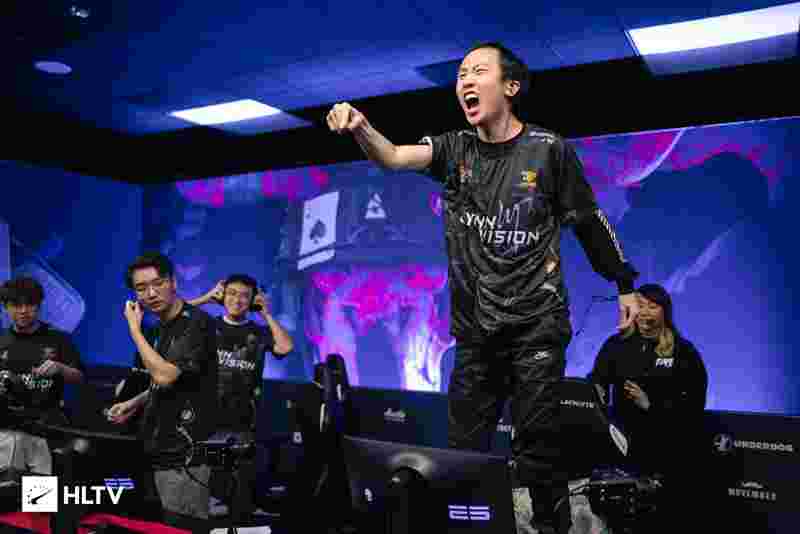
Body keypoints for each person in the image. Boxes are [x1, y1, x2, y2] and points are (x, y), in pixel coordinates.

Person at [326, 41, 639, 533]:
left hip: (537, 325)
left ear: (510, 87)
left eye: (478, 71)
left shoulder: (549, 149)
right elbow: (393, 157)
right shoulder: (454, 149)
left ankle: (550, 528)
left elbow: (587, 220)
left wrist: (622, 282)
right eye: (460, 75)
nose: (465, 82)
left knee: (537, 446)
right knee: (463, 450)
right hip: (475, 332)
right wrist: (361, 127)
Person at [107, 252, 217, 533]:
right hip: (159, 446)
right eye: (141, 288)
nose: (151, 293)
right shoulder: (162, 327)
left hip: (186, 455)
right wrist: (134, 402)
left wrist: (134, 330)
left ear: (173, 283)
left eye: (158, 283)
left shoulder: (196, 323)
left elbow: (165, 376)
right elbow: (173, 381)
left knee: (181, 528)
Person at [589, 283, 708, 532]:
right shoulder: (616, 345)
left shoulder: (684, 352)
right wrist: (597, 395)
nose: (644, 312)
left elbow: (694, 405)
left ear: (665, 311)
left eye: (652, 307)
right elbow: (596, 381)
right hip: (621, 452)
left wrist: (651, 405)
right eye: (640, 306)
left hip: (667, 455)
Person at [188, 274, 293, 521]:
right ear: (223, 296)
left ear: (253, 301)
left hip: (244, 414)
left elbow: (285, 347)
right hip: (208, 412)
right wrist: (206, 298)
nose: (237, 300)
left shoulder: (259, 332)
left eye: (245, 296)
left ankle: (240, 510)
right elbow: (174, 318)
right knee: (209, 474)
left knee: (240, 474)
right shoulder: (209, 326)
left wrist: (266, 313)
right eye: (232, 293)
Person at [0, 276, 84, 476]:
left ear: (39, 305)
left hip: (45, 430)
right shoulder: (1, 340)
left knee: (39, 493)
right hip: (6, 430)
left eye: (29, 304)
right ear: (5, 307)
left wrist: (60, 368)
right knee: (8, 490)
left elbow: (80, 377)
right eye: (16, 305)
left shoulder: (58, 339)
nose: (23, 311)